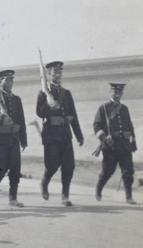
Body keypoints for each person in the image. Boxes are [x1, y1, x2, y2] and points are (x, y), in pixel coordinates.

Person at [36, 61, 84, 206]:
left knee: (69, 165)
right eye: (54, 72)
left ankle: (65, 195)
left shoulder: (66, 94)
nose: (58, 74)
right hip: (50, 134)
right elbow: (39, 112)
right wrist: (48, 104)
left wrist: (78, 135)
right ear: (49, 74)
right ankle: (44, 183)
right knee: (52, 165)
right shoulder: (43, 93)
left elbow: (73, 115)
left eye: (60, 72)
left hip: (65, 133)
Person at [0, 71, 28, 207]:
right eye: (6, 80)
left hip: (14, 138)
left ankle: (13, 198)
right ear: (0, 82)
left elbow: (21, 119)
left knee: (16, 168)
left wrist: (23, 139)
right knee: (0, 167)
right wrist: (1, 118)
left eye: (11, 80)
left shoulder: (17, 99)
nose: (10, 83)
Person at [94, 83, 138, 204]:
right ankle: (99, 187)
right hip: (110, 146)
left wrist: (133, 142)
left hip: (124, 145)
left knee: (128, 171)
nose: (117, 94)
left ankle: (129, 197)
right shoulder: (103, 108)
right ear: (110, 92)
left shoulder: (125, 108)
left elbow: (130, 126)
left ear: (122, 93)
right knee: (108, 170)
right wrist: (104, 138)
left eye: (119, 92)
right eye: (115, 92)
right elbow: (96, 126)